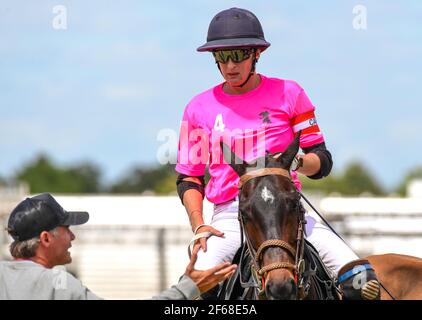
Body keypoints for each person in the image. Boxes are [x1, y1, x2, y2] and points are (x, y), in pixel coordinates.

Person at [175, 7, 380, 300]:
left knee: (364, 283)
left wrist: (297, 161)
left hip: (287, 209)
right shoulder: (198, 108)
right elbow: (189, 178)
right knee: (191, 293)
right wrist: (199, 226)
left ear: (257, 54)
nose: (230, 65)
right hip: (232, 212)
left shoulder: (290, 93)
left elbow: (321, 161)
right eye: (222, 56)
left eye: (239, 55)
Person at [0, 193, 236, 300]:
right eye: (65, 229)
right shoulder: (61, 288)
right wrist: (188, 288)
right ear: (46, 238)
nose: (72, 236)